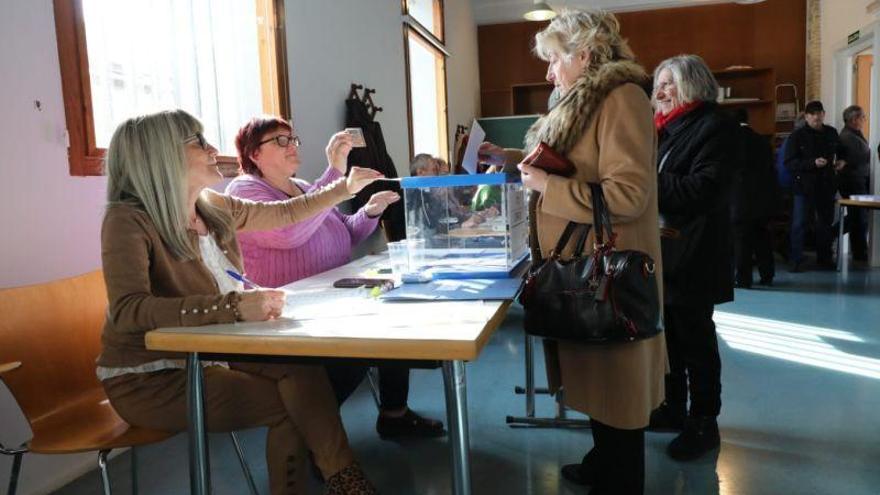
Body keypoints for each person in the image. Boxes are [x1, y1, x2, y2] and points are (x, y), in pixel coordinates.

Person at [97, 109, 382, 495]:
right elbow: (129, 310)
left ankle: (345, 480)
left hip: (210, 355)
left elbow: (285, 213)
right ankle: (346, 481)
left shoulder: (212, 205)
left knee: (301, 367)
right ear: (162, 154)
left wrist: (342, 189)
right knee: (292, 406)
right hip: (152, 378)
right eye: (199, 142)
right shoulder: (128, 220)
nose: (213, 148)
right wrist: (232, 307)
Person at [480, 10, 665, 494]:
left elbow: (627, 197)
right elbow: (577, 163)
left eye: (554, 59)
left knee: (618, 395)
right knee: (604, 389)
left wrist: (547, 185)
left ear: (584, 54)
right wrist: (514, 162)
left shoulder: (621, 99)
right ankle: (603, 462)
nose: (548, 72)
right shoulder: (583, 100)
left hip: (608, 274)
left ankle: (619, 478)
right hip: (583, 269)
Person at [226, 116, 444, 439]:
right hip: (286, 311)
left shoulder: (302, 188)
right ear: (254, 154)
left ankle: (393, 414)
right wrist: (334, 177)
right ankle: (311, 434)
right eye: (280, 140)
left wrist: (370, 210)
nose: (291, 146)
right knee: (361, 345)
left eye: (293, 139)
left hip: (329, 296)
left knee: (394, 314)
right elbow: (287, 232)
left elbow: (346, 234)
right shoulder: (243, 190)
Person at [648, 55, 739, 461]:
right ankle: (673, 408)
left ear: (694, 85)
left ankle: (704, 422)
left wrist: (643, 178)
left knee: (696, 341)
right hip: (668, 250)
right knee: (670, 338)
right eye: (658, 84)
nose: (660, 92)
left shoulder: (713, 126)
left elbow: (703, 190)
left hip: (696, 253)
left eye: (669, 83)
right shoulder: (666, 129)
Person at [783, 100, 842, 271]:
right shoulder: (797, 136)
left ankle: (825, 258)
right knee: (799, 223)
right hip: (804, 185)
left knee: (825, 223)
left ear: (824, 114)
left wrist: (842, 160)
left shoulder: (831, 133)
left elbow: (841, 150)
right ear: (807, 117)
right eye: (813, 115)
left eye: (819, 114)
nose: (817, 117)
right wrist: (812, 163)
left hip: (826, 184)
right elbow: (790, 162)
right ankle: (796, 259)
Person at [731, 109, 778, 287]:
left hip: (740, 199)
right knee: (763, 238)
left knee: (741, 241)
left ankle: (743, 279)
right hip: (763, 199)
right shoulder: (762, 141)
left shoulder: (731, 142)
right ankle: (768, 275)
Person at [836, 105, 871, 261]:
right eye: (862, 117)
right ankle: (859, 251)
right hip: (852, 182)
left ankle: (859, 250)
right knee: (858, 217)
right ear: (854, 119)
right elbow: (856, 159)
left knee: (858, 217)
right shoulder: (848, 137)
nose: (864, 120)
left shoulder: (854, 134)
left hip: (857, 180)